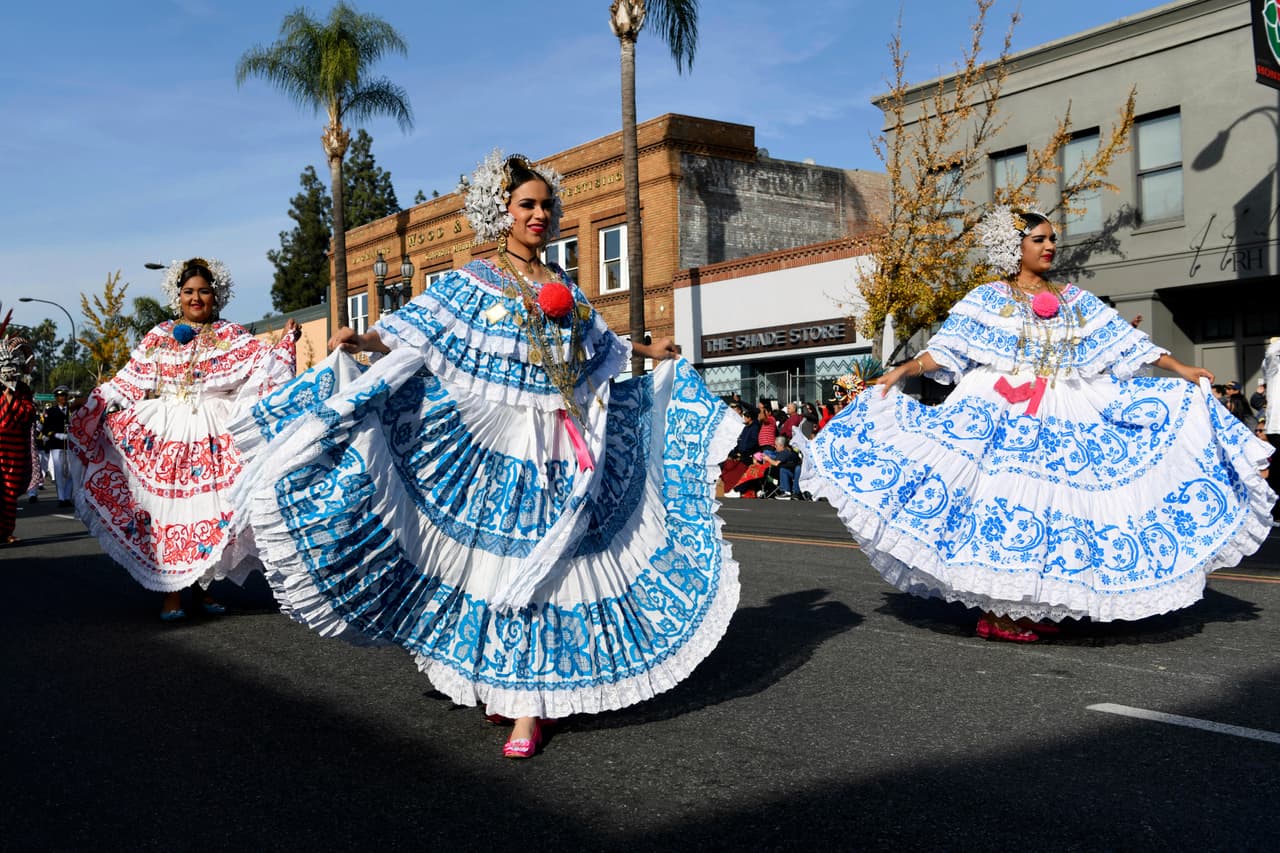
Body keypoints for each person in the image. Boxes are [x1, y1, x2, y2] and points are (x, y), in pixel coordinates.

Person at [227, 151, 739, 759]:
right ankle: (518, 692)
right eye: (528, 205)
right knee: (513, 564)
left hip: (564, 443)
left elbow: (597, 341)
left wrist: (652, 354)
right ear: (501, 213)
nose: (540, 215)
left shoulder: (564, 285)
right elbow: (415, 326)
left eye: (546, 205)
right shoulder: (473, 280)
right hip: (501, 444)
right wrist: (362, 339)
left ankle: (527, 703)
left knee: (553, 567)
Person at [803, 207, 1276, 643]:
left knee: (1055, 508)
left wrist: (1183, 370)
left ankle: (1024, 606)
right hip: (999, 410)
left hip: (1066, 406)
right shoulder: (988, 297)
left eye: (1053, 239)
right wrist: (904, 370)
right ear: (1016, 248)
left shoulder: (1075, 301)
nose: (1050, 246)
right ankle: (1001, 612)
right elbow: (947, 350)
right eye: (1039, 239)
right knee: (1005, 502)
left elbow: (1129, 343)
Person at [69, 258, 299, 621]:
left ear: (216, 296)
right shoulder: (159, 336)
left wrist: (287, 341)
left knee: (210, 513)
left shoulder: (232, 336)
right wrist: (96, 403)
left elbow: (265, 368)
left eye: (203, 291)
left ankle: (202, 590)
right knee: (169, 515)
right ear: (178, 296)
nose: (196, 298)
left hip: (214, 436)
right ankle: (171, 595)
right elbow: (130, 380)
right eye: (189, 292)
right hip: (167, 435)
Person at [0, 330, 36, 545]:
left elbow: (27, 414)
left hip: (15, 451)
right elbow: (3, 422)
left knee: (10, 492)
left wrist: (11, 394)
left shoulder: (23, 389)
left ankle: (5, 531)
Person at [41, 386, 75, 507]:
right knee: (59, 472)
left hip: (71, 444)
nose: (63, 398)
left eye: (65, 396)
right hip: (57, 444)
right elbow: (45, 429)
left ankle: (67, 496)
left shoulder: (72, 411)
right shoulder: (50, 412)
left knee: (71, 472)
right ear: (56, 398)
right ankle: (61, 498)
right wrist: (56, 435)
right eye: (60, 396)